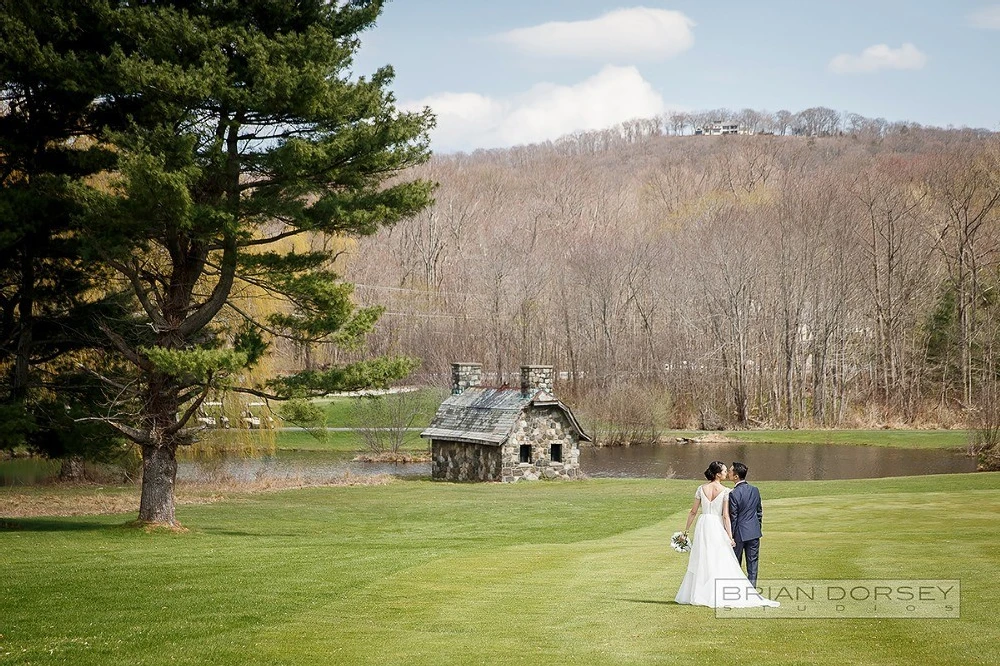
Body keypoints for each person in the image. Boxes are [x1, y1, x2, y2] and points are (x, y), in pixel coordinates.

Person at [674, 461, 778, 608]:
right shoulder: (726, 491)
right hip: (717, 525)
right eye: (724, 471)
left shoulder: (701, 488)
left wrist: (686, 531)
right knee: (719, 559)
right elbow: (726, 516)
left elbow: (693, 511)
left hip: (703, 524)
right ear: (718, 474)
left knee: (702, 558)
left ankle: (699, 593)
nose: (726, 473)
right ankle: (727, 592)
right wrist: (729, 536)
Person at [728, 461, 763, 586]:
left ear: (736, 476)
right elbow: (759, 512)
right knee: (753, 564)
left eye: (730, 471)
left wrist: (730, 535)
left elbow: (734, 517)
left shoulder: (733, 494)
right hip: (754, 532)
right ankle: (751, 590)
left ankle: (736, 588)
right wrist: (758, 527)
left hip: (739, 533)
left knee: (736, 562)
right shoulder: (755, 490)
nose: (728, 473)